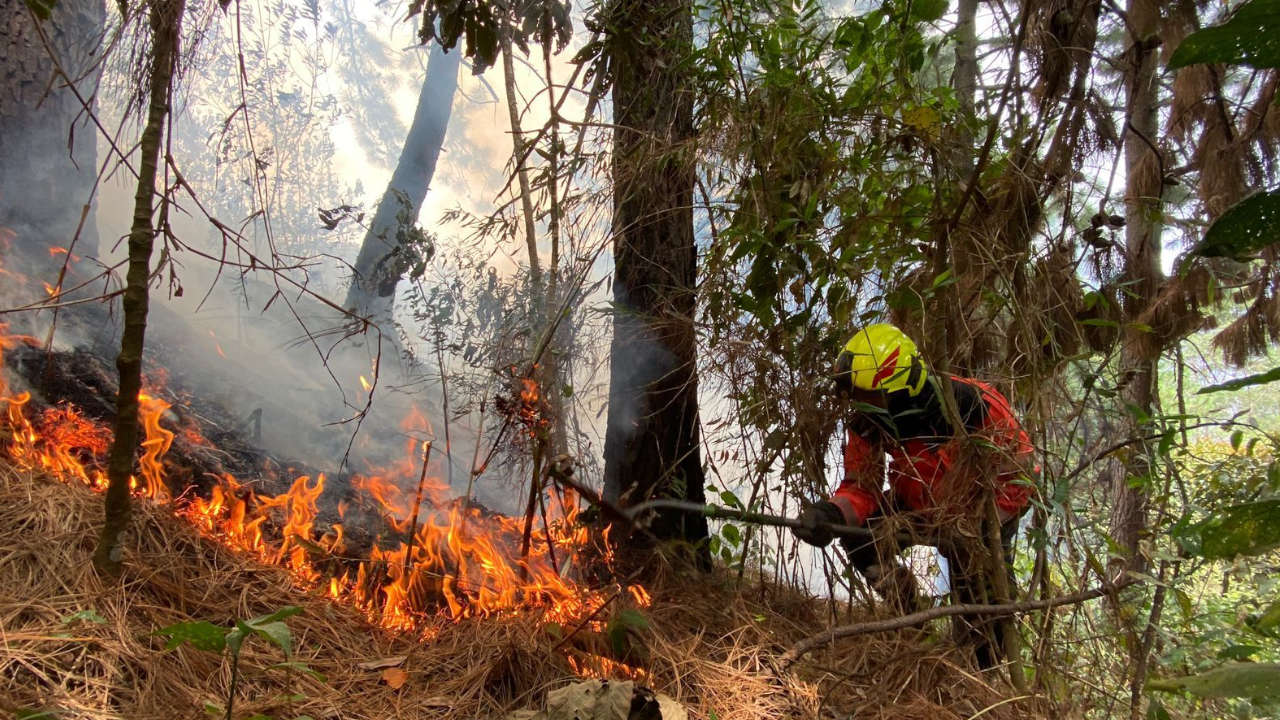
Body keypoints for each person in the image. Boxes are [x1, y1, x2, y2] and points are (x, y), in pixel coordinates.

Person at [792, 323, 1037, 668]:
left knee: (983, 616)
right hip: (917, 503)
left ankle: (983, 675)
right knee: (860, 538)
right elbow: (861, 488)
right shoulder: (868, 422)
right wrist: (829, 516)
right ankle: (909, 610)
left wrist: (977, 527)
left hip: (979, 520)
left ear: (900, 387)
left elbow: (1021, 477)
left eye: (867, 395)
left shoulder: (973, 407)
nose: (860, 404)